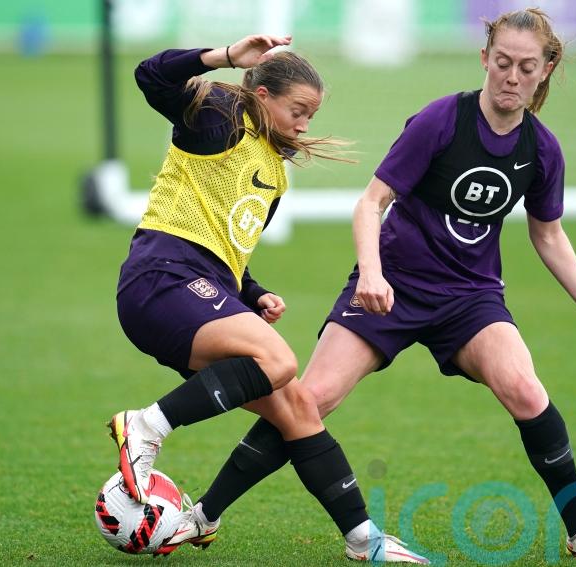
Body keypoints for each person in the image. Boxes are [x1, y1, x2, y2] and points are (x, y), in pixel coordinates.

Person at [177, 9, 576, 564]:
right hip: (392, 285)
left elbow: (548, 235)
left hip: (470, 298)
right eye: (502, 63)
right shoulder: (442, 121)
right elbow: (370, 203)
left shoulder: (542, 150)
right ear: (484, 60)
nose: (512, 77)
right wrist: (372, 273)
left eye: (526, 67)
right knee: (309, 400)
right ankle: (203, 516)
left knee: (525, 389)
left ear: (546, 70)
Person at [107, 34, 428, 562]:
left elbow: (228, 247)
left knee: (297, 407)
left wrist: (253, 293)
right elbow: (151, 75)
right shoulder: (219, 118)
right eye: (298, 110)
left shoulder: (273, 171)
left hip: (195, 287)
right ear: (263, 96)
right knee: (277, 358)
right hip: (159, 278)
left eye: (311, 114)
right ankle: (143, 427)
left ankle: (361, 539)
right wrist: (229, 56)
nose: (305, 124)